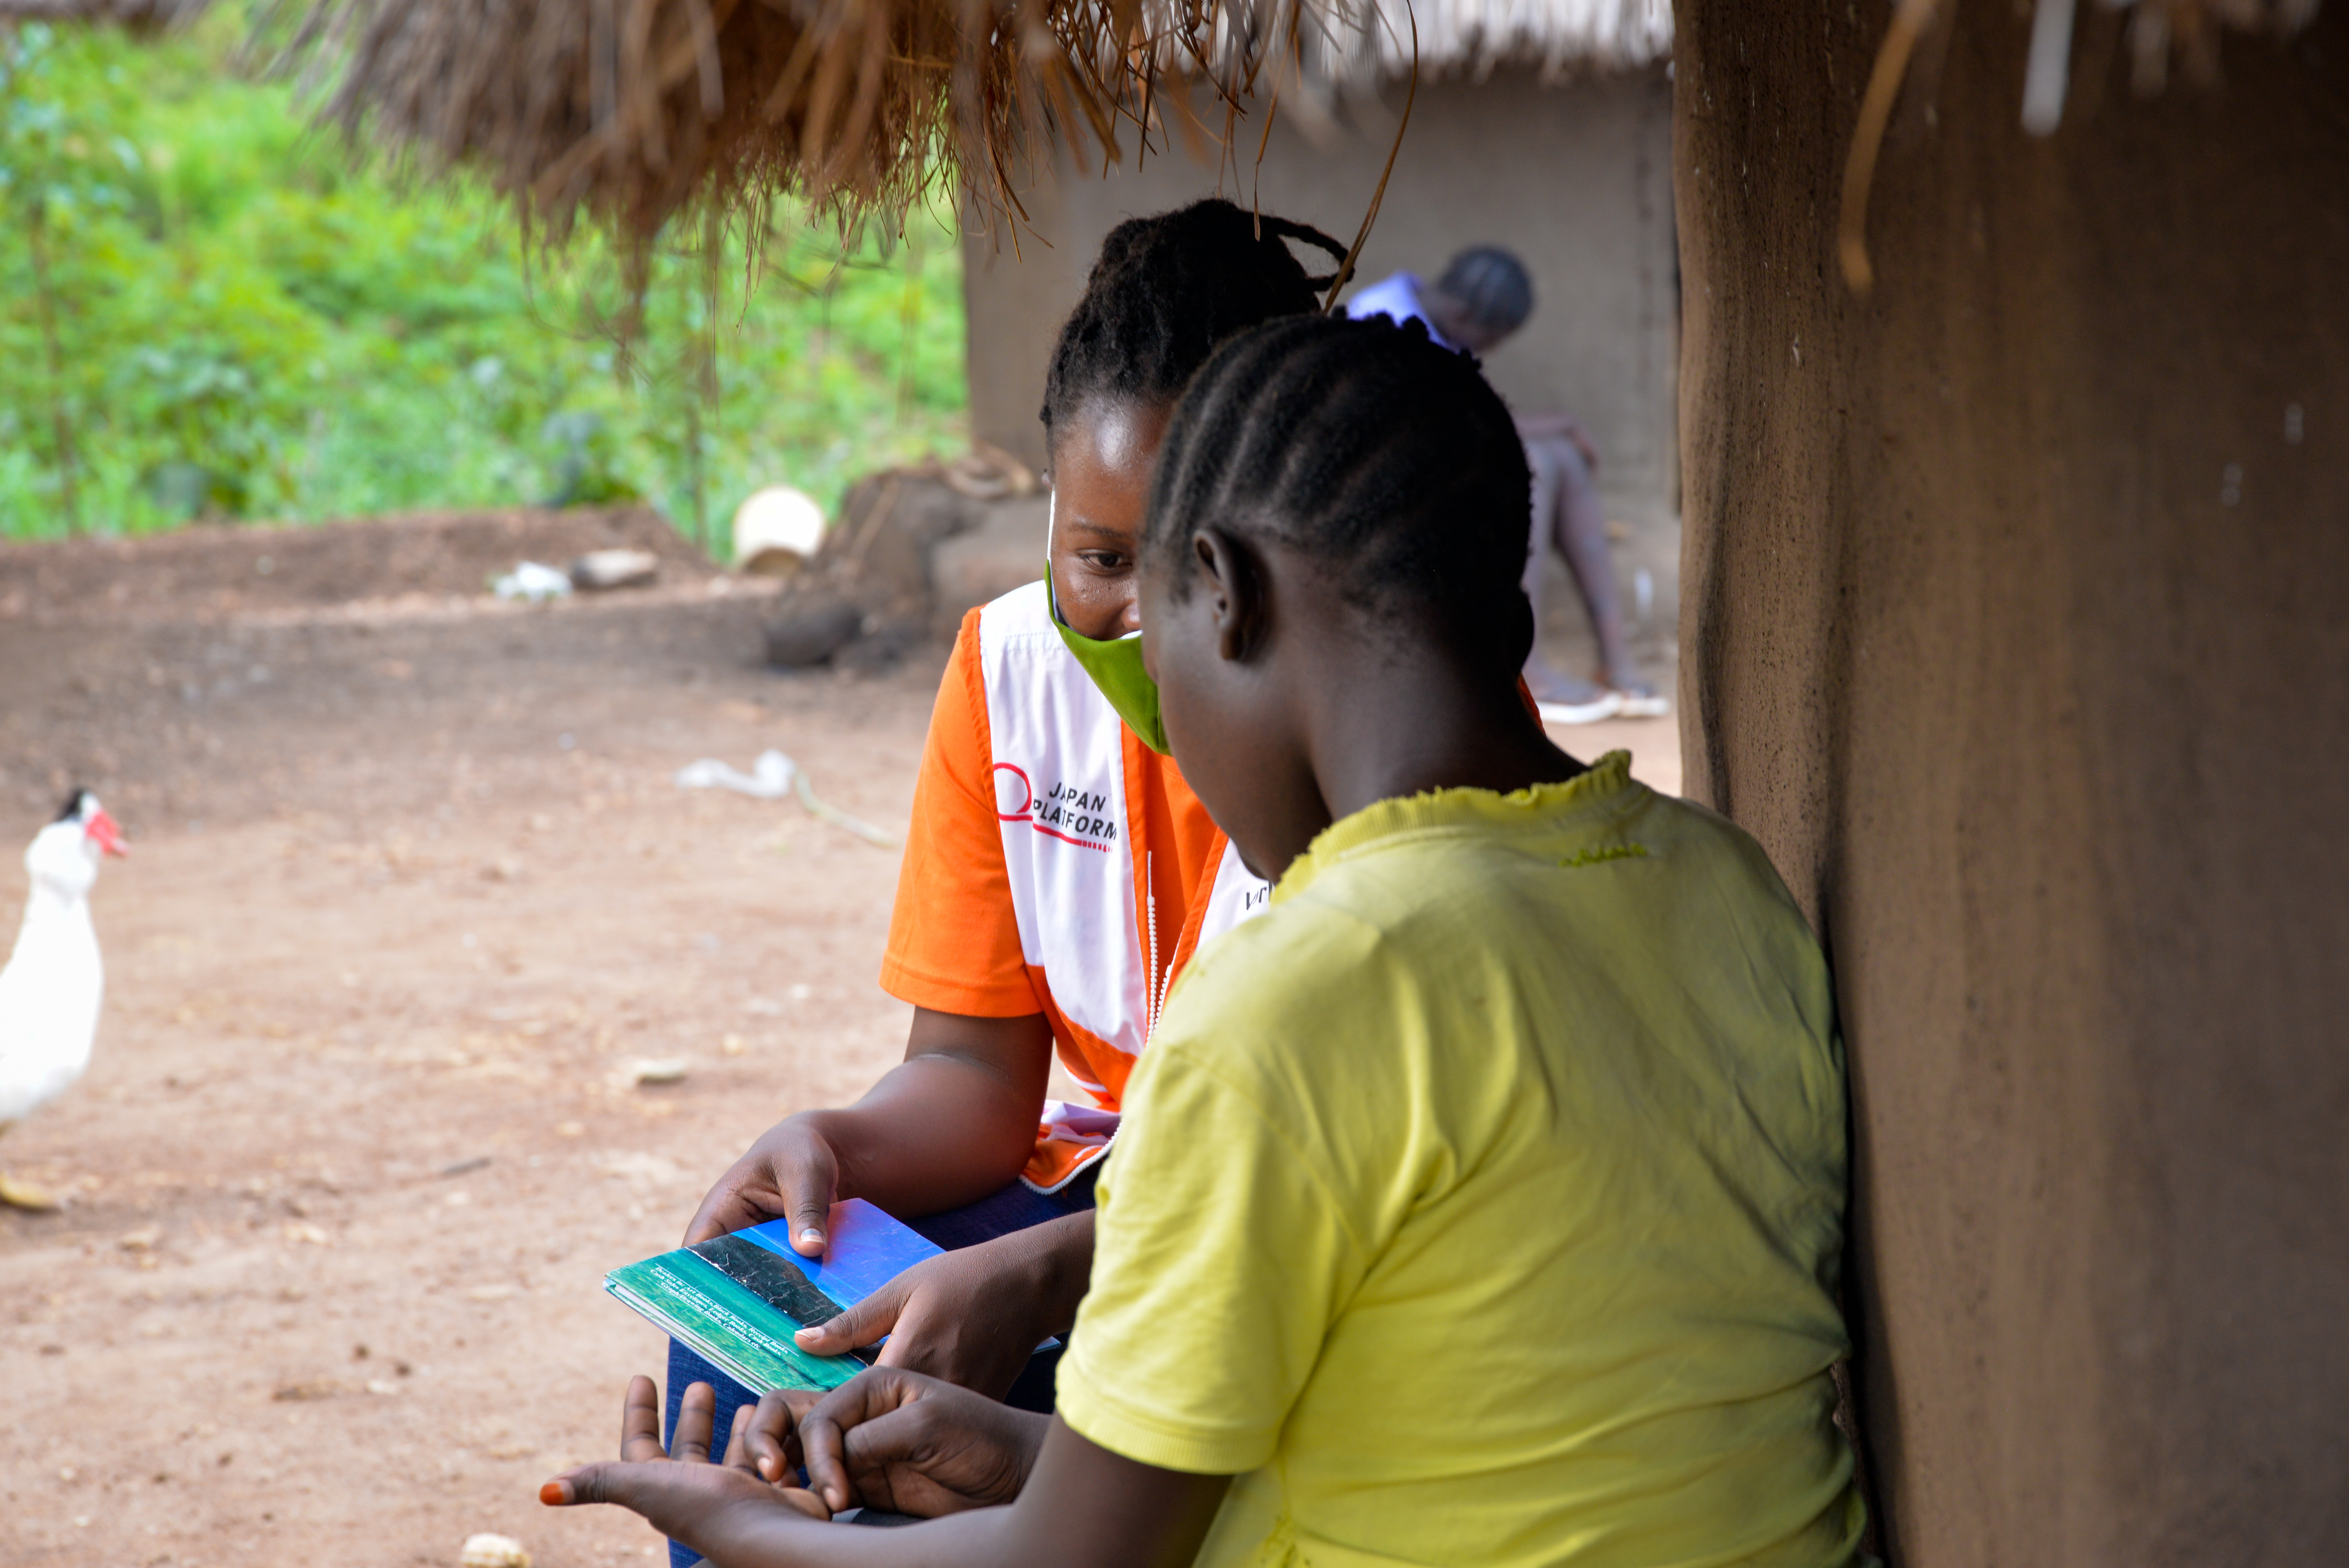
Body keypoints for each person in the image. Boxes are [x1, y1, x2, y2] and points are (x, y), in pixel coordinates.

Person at [544, 313, 1867, 1568]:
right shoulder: (1723, 886)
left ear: (1219, 594)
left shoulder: (1302, 1000)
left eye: (1154, 648)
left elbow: (1069, 1562)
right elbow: (1492, 1410)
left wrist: (747, 1533)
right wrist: (1026, 1455)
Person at [656, 200, 1352, 1556]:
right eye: (1098, 559)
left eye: (1191, 564)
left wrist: (1046, 1272)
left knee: (999, 1413)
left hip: (1274, 1224)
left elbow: (1336, 1176)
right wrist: (835, 1147)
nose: (1145, 624)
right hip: (1091, 1186)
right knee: (758, 1358)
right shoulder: (1010, 672)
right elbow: (979, 1076)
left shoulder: (1383, 705)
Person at [1346, 246, 1669, 722]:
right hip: (1382, 493)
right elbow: (1436, 428)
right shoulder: (1388, 316)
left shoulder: (1426, 305)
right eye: (1487, 341)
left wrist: (1557, 429)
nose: (1484, 354)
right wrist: (1551, 423)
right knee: (1533, 462)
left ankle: (1616, 660)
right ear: (1463, 314)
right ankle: (1528, 665)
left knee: (1563, 458)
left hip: (1430, 469)